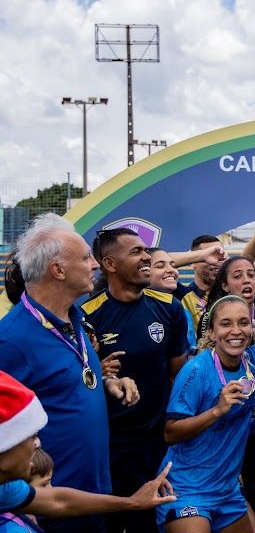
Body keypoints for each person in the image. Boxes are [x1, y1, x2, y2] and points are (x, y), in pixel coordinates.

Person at [0, 214, 140, 533]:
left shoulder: (74, 319)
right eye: (85, 257)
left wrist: (107, 382)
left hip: (91, 497)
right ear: (58, 270)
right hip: (50, 508)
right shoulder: (11, 339)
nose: (95, 264)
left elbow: (64, 385)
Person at [82, 228, 190, 533]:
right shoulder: (86, 316)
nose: (146, 257)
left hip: (156, 445)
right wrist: (99, 375)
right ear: (109, 264)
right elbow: (82, 383)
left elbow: (177, 376)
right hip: (108, 447)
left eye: (146, 251)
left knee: (150, 525)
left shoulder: (170, 308)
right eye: (136, 252)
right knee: (111, 523)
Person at [156, 295, 255, 532]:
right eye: (225, 324)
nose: (236, 331)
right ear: (211, 332)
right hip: (187, 489)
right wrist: (217, 411)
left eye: (243, 322)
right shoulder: (196, 371)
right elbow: (170, 433)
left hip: (227, 491)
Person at [0, 371, 176, 530]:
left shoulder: (5, 488)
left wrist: (132, 502)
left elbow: (58, 501)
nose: (38, 443)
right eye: (30, 435)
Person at [197, 257, 255, 342]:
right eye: (237, 276)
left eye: (251, 275)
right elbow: (203, 348)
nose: (246, 280)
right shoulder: (210, 317)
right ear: (225, 286)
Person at [179, 235, 227, 329]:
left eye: (220, 257)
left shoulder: (231, 295)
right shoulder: (181, 295)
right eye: (210, 256)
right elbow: (153, 263)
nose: (216, 262)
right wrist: (201, 255)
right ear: (193, 262)